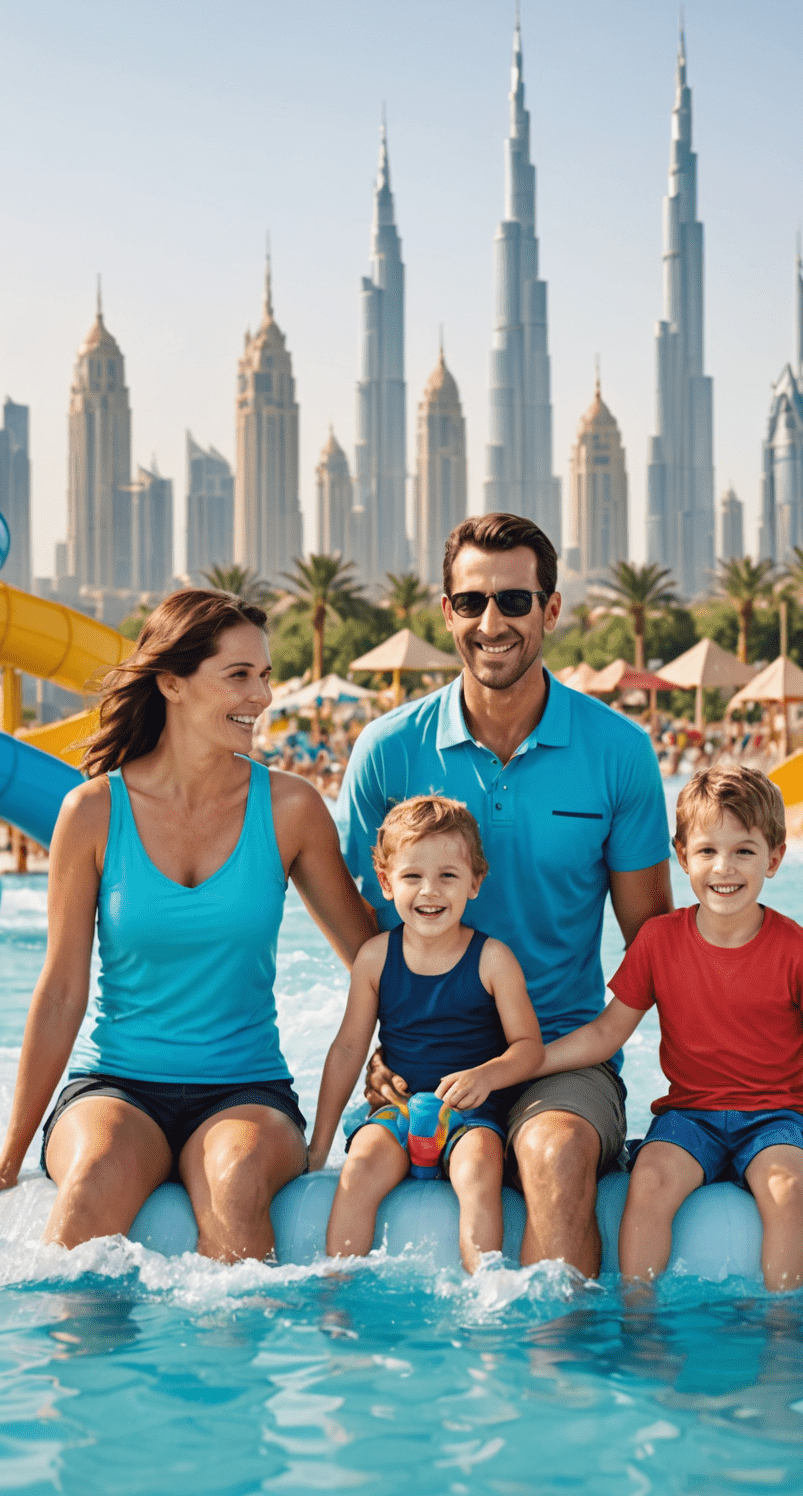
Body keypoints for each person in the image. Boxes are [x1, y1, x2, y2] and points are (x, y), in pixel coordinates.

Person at [0, 590, 375, 1258]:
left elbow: (370, 961)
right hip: (118, 1085)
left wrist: (407, 1058)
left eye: (266, 676)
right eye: (240, 676)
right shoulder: (93, 813)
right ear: (172, 683)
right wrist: (8, 1157)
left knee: (237, 1182)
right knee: (89, 1187)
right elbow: (62, 990)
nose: (263, 696)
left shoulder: (290, 809)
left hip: (247, 1091)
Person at [338, 513, 674, 1278]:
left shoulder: (619, 751)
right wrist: (383, 1038)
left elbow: (652, 942)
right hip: (425, 1064)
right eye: (470, 603)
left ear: (551, 611)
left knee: (556, 1155)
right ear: (446, 610)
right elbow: (366, 924)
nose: (492, 623)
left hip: (561, 1055)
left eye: (515, 602)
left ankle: (551, 1381)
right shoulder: (386, 751)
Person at [540, 765, 803, 1292]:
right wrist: (531, 1062)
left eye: (744, 851)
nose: (724, 867)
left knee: (783, 1187)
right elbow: (605, 1033)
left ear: (774, 858)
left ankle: (782, 1333)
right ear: (682, 855)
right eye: (708, 851)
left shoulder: (798, 950)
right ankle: (638, 1321)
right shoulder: (659, 942)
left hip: (777, 1117)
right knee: (650, 1178)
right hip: (691, 1115)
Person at [310, 796, 544, 1273]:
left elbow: (529, 1048)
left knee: (480, 1167)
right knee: (359, 1168)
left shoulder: (493, 959)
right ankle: (336, 1294)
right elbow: (348, 1049)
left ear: (475, 882)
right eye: (412, 877)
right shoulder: (375, 959)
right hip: (396, 1114)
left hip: (470, 1116)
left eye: (448, 876)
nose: (429, 891)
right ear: (386, 882)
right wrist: (318, 1146)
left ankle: (487, 1289)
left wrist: (487, 1075)